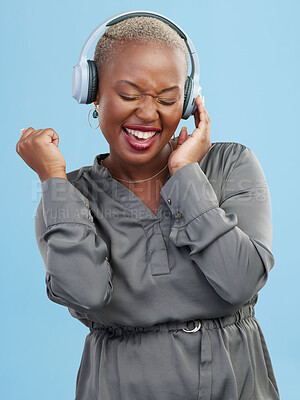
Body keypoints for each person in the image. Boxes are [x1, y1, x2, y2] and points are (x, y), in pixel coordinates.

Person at [16, 14, 280, 400]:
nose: (147, 113)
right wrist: (53, 178)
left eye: (167, 99)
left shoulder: (231, 165)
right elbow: (86, 292)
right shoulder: (66, 196)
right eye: (128, 95)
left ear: (188, 102)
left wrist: (185, 174)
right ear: (92, 92)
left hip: (235, 385)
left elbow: (240, 281)